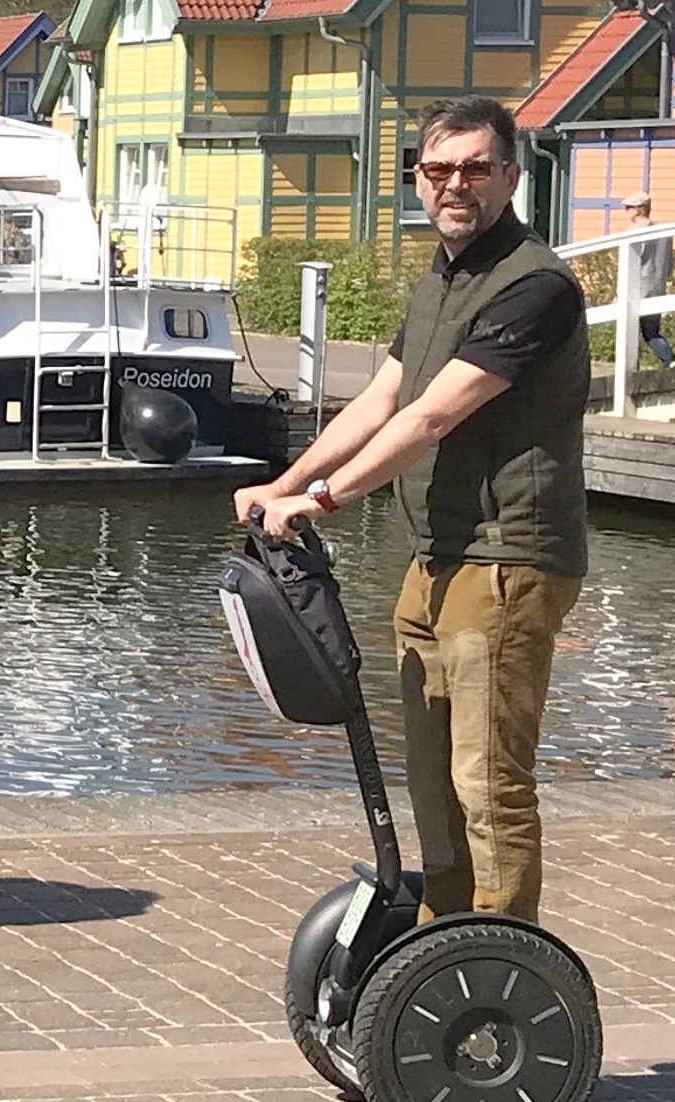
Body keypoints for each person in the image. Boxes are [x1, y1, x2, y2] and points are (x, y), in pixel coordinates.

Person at [238, 98, 588, 922]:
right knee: (428, 785)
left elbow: (432, 417)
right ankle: (440, 949)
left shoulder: (532, 285)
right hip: (433, 557)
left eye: (474, 167)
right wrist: (286, 482)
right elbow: (385, 394)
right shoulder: (442, 275)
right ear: (417, 179)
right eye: (438, 169)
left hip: (506, 560)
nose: (455, 184)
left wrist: (321, 499)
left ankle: (502, 960)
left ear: (510, 173)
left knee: (487, 782)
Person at [622, 215, 675, 370]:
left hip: (638, 288)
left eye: (628, 209)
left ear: (637, 210)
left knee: (631, 332)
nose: (626, 212)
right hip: (658, 287)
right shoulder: (664, 232)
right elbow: (669, 262)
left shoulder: (636, 232)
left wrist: (621, 292)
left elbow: (632, 261)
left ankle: (631, 369)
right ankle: (670, 360)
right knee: (652, 331)